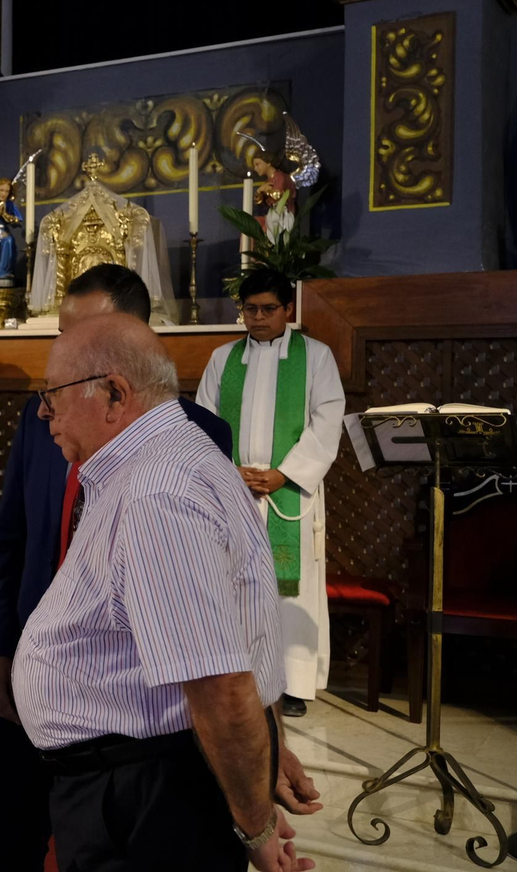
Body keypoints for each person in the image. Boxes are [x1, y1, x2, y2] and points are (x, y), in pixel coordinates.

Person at [14, 314, 313, 871]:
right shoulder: (183, 459)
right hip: (150, 779)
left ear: (114, 393)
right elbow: (246, 631)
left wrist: (256, 828)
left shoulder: (157, 493)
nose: (43, 412)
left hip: (140, 796)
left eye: (52, 394)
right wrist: (266, 750)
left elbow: (221, 684)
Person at [0, 263, 239, 870]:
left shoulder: (197, 438)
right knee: (12, 835)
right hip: (28, 681)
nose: (64, 352)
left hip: (122, 718)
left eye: (84, 338)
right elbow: (8, 538)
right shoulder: (40, 415)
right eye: (59, 336)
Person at [197, 268, 344, 717]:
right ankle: (236, 673)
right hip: (233, 489)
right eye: (249, 309)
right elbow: (204, 420)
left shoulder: (316, 357)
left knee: (288, 589)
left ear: (288, 310)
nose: (257, 318)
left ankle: (292, 683)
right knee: (232, 583)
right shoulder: (222, 359)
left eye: (267, 309)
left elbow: (327, 420)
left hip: (286, 491)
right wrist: (227, 471)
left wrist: (285, 473)